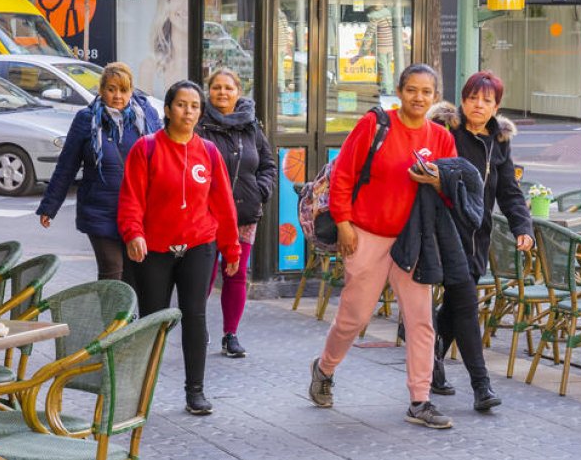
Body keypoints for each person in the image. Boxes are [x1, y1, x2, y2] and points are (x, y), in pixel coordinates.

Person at [308, 64, 458, 429]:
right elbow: (343, 173)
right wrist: (343, 224)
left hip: (414, 239)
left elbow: (455, 192)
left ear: (435, 97)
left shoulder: (440, 138)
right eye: (411, 90)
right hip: (367, 235)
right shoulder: (375, 124)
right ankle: (324, 368)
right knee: (354, 317)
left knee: (421, 320)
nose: (418, 97)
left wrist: (439, 182)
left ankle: (420, 400)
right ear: (399, 90)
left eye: (426, 92)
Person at [118, 80, 240, 416]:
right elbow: (131, 199)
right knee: (154, 320)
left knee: (195, 317)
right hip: (154, 250)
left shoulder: (209, 153)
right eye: (182, 105)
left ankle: (195, 392)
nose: (188, 111)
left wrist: (231, 249)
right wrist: (133, 234)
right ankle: (143, 392)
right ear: (168, 109)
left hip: (199, 246)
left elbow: (224, 206)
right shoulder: (146, 149)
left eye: (194, 106)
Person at [427, 70, 534, 411]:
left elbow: (509, 191)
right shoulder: (447, 132)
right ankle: (481, 386)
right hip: (443, 233)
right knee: (467, 306)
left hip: (476, 238)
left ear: (497, 106)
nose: (479, 105)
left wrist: (523, 227)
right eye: (473, 97)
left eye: (487, 100)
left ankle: (431, 363)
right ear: (462, 99)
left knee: (457, 307)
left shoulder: (498, 141)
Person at [37, 62, 162, 283]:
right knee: (112, 271)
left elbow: (164, 158)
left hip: (138, 212)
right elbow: (67, 165)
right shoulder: (87, 120)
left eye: (123, 90)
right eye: (111, 89)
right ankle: (110, 318)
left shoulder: (147, 117)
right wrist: (50, 206)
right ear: (101, 90)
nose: (117, 96)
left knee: (133, 276)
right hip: (100, 210)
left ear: (131, 90)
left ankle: (128, 318)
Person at [197, 68, 277, 358]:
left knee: (236, 273)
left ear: (238, 92)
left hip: (244, 212)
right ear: (209, 91)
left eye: (228, 88)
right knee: (203, 274)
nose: (222, 93)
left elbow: (268, 164)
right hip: (206, 216)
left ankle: (230, 334)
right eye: (216, 87)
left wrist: (261, 191)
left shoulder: (251, 127)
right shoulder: (200, 125)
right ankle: (197, 327)